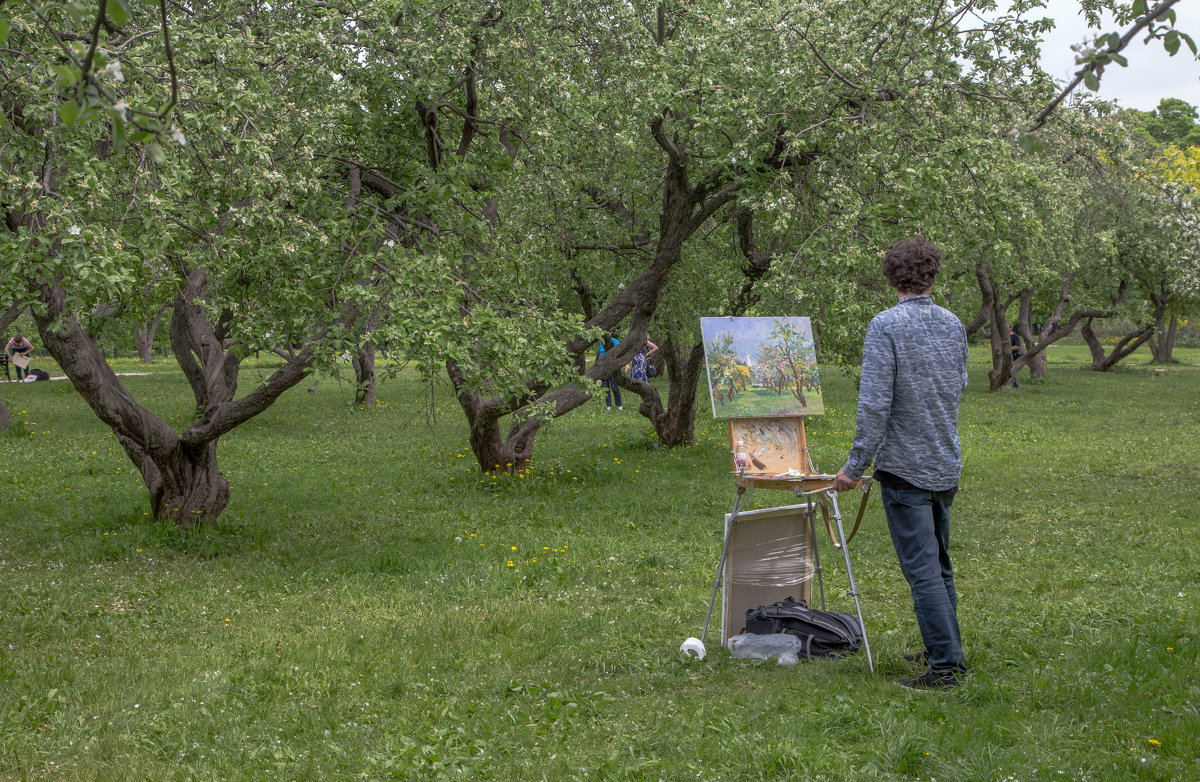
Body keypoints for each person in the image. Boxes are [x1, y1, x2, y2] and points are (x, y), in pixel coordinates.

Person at [833, 236, 969, 691]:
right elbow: (957, 386)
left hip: (907, 469)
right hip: (944, 461)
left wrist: (853, 468)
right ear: (933, 274)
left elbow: (874, 406)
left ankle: (946, 667)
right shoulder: (953, 324)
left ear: (892, 277)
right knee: (940, 565)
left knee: (924, 569)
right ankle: (942, 647)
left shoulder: (885, 325)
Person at [597, 332, 622, 411]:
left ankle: (619, 405)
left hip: (613, 367)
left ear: (610, 333)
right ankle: (608, 406)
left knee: (615, 387)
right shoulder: (601, 342)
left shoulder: (615, 341)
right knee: (605, 387)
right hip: (604, 367)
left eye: (608, 332)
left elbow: (619, 352)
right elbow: (601, 355)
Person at [1008, 323, 1022, 388]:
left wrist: (1008, 349)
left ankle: (1012, 384)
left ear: (1011, 328)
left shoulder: (1014, 336)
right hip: (1006, 356)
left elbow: (1017, 346)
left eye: (1007, 327)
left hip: (1014, 355)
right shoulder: (1004, 336)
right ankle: (1015, 384)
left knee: (1011, 369)